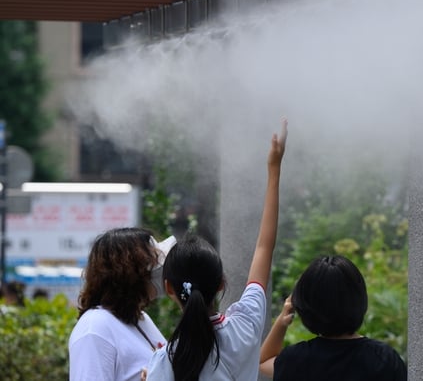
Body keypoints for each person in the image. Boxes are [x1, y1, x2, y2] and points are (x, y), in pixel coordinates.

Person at [146, 118, 287, 380]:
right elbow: (264, 247)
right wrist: (274, 169)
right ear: (221, 283)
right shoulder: (246, 325)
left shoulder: (165, 360)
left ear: (168, 288)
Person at [259, 255, 408, 381]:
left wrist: (283, 319)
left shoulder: (296, 359)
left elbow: (263, 361)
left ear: (303, 306)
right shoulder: (384, 359)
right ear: (360, 300)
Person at [69, 227, 168, 381]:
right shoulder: (95, 327)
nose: (159, 273)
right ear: (130, 273)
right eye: (151, 265)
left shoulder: (140, 318)